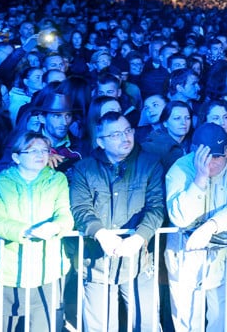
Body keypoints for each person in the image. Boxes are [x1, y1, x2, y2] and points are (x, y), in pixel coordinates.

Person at [68, 111, 165, 332]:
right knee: (99, 327)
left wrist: (140, 237)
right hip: (96, 262)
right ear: (100, 141)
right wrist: (100, 233)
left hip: (139, 261)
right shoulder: (84, 169)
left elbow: (156, 207)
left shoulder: (150, 164)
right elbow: (80, 208)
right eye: (116, 135)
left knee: (146, 324)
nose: (125, 138)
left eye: (128, 130)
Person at [0, 131, 75, 332]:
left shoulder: (57, 180)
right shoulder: (0, 182)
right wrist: (25, 232)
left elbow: (65, 216)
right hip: (8, 272)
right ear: (16, 157)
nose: (40, 155)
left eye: (44, 150)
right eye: (32, 151)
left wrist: (56, 227)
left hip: (48, 270)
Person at [164, 122, 227, 332]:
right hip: (184, 253)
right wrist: (200, 178)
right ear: (195, 151)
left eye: (218, 157)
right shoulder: (179, 169)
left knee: (220, 318)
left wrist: (210, 227)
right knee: (186, 318)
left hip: (221, 255)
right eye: (208, 157)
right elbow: (180, 217)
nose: (213, 163)